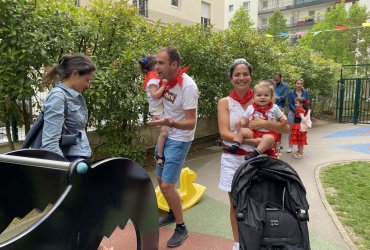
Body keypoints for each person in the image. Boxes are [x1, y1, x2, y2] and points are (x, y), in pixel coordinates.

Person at [218, 59, 289, 250]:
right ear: (231, 79)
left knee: (260, 201)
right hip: (233, 158)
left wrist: (264, 125)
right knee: (235, 203)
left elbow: (287, 128)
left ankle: (261, 240)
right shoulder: (225, 102)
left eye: (245, 74)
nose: (241, 78)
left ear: (250, 77)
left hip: (260, 159)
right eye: (237, 75)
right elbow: (224, 134)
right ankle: (238, 242)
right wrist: (256, 142)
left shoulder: (261, 97)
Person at [146, 46, 198, 248]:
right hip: (166, 134)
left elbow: (191, 122)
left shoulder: (188, 86)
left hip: (181, 137)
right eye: (156, 62)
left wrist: (169, 122)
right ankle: (170, 211)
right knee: (160, 179)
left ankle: (181, 227)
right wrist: (162, 120)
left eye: (161, 63)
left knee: (167, 185)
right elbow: (161, 101)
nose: (156, 66)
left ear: (174, 65)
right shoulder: (164, 82)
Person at [41, 53, 96, 162]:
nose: (88, 85)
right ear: (75, 74)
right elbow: (50, 145)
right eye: (87, 80)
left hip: (78, 160)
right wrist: (66, 169)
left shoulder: (72, 96)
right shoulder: (58, 97)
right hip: (69, 162)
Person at [225, 81, 287, 160]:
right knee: (241, 131)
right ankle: (235, 145)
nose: (262, 97)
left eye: (266, 95)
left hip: (269, 132)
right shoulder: (251, 108)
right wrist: (241, 123)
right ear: (253, 97)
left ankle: (255, 152)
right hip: (254, 132)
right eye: (259, 95)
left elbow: (281, 116)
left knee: (269, 139)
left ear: (271, 97)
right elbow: (245, 119)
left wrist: (283, 119)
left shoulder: (274, 108)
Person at [138, 55, 168, 167]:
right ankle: (159, 156)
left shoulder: (154, 78)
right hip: (157, 110)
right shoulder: (152, 81)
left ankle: (161, 153)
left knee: (166, 132)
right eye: (158, 64)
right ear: (155, 66)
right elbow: (155, 95)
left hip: (160, 109)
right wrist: (164, 85)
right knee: (164, 132)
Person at [286, 78, 310, 153]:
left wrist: (303, 112)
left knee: (301, 130)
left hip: (302, 114)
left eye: (300, 84)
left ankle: (299, 148)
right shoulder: (291, 93)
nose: (299, 85)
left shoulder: (306, 93)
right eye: (297, 83)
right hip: (293, 113)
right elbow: (290, 103)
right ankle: (290, 146)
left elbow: (307, 103)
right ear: (295, 84)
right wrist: (297, 111)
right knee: (292, 130)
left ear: (302, 85)